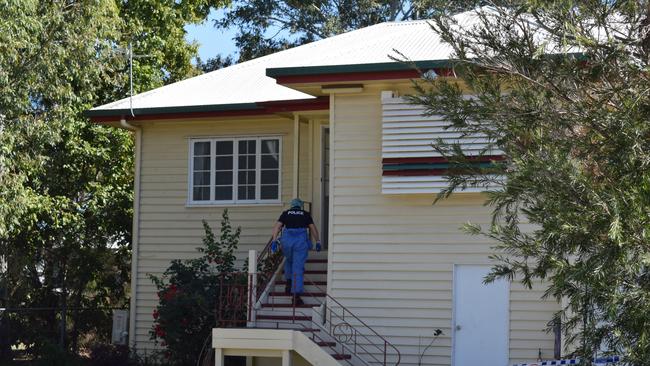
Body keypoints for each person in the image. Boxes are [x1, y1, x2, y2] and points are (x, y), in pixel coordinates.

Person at [271, 198, 321, 305]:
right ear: (300, 206)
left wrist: (274, 240)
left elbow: (277, 227)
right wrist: (318, 241)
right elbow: (313, 228)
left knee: (289, 261)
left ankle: (289, 283)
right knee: (297, 268)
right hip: (300, 243)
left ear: (292, 206)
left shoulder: (285, 213)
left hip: (287, 242)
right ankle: (296, 296)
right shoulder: (305, 214)